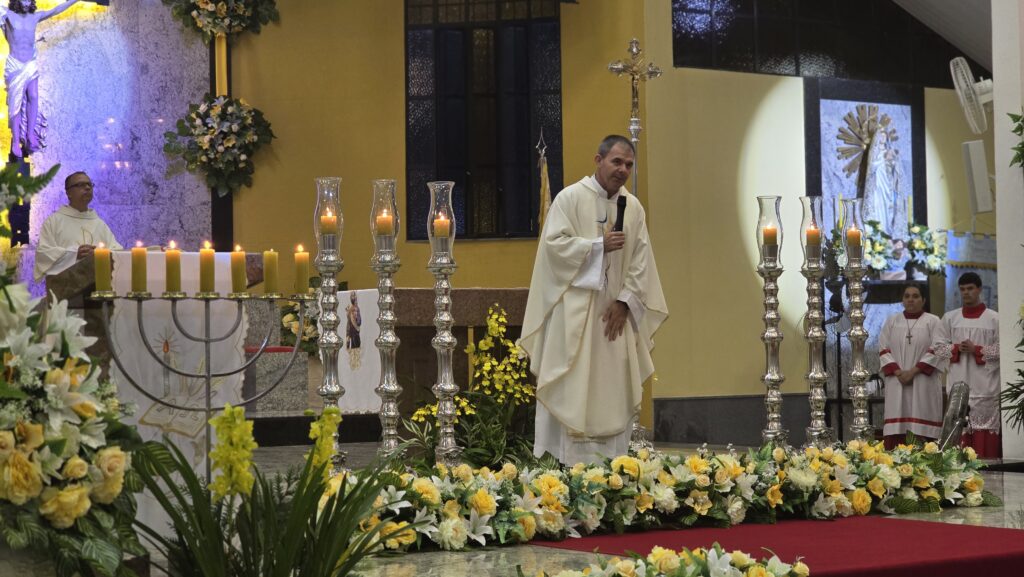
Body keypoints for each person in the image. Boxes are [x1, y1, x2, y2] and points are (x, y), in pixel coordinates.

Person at [519, 135, 668, 465]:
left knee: (612, 390)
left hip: (614, 317)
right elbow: (553, 249)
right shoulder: (570, 199)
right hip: (575, 316)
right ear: (598, 160)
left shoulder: (633, 208)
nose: (623, 170)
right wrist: (597, 246)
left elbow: (641, 261)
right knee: (572, 385)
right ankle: (564, 468)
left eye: (629, 164)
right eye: (616, 162)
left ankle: (613, 467)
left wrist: (625, 302)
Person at [2, 0, 81, 158]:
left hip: (30, 63)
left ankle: (30, 134)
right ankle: (16, 141)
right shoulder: (7, 14)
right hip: (15, 65)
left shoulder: (35, 16)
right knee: (15, 104)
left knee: (33, 96)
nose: (26, 3)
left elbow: (56, 10)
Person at [938, 272, 1001, 457]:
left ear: (979, 289)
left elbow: (1002, 349)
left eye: (970, 288)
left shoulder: (994, 318)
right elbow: (937, 348)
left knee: (985, 439)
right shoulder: (950, 318)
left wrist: (977, 350)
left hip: (985, 387)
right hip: (958, 385)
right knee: (958, 435)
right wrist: (956, 348)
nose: (966, 292)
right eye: (963, 289)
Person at [878, 285, 946, 449]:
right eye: (907, 296)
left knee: (923, 423)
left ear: (923, 300)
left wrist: (913, 372)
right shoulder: (892, 321)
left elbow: (939, 348)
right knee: (897, 427)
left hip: (923, 383)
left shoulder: (933, 321)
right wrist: (898, 372)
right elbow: (883, 349)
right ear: (902, 300)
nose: (910, 300)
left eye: (915, 296)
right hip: (897, 382)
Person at [34, 171, 122, 280]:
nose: (87, 188)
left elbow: (118, 252)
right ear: (68, 193)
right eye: (81, 185)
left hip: (98, 284)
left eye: (89, 184)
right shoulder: (54, 222)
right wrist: (74, 254)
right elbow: (43, 254)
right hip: (65, 285)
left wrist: (99, 254)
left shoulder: (100, 224)